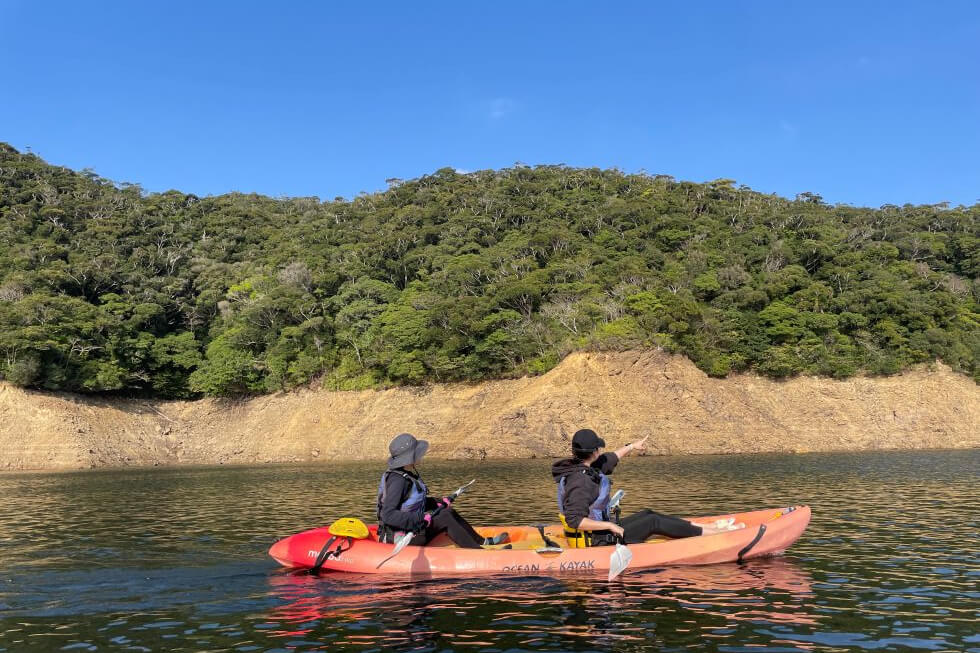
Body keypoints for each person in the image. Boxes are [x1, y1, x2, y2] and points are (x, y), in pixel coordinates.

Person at [552, 428, 743, 546]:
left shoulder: (583, 467)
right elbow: (574, 519)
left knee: (648, 514)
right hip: (597, 541)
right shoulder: (581, 481)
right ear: (593, 452)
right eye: (598, 449)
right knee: (652, 523)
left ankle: (704, 527)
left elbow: (610, 458)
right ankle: (715, 536)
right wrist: (609, 525)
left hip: (600, 534)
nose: (601, 452)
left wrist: (632, 446)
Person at [377, 432, 508, 549]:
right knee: (444, 517)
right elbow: (388, 515)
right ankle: (479, 553)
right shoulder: (398, 481)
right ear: (409, 457)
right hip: (399, 539)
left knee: (447, 511)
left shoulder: (406, 474)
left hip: (413, 529)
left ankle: (482, 541)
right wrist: (421, 518)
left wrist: (436, 502)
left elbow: (408, 503)